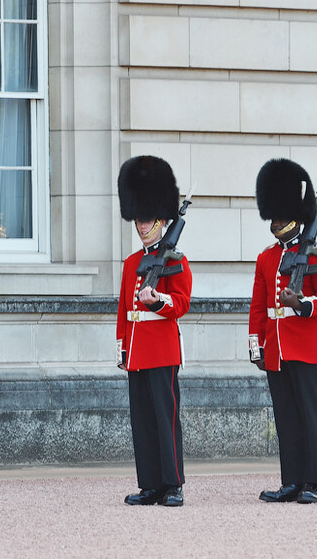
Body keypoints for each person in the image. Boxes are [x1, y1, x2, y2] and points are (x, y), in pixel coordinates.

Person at [248, 158, 317, 504]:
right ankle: (291, 481)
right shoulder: (266, 258)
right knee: (285, 418)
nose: (275, 220)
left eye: (281, 213)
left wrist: (302, 303)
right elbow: (258, 307)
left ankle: (312, 481)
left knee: (310, 415)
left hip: (307, 345)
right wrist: (256, 346)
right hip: (277, 348)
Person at [116, 155, 192, 507]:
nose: (142, 224)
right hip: (137, 353)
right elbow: (123, 312)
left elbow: (181, 304)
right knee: (142, 422)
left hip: (162, 352)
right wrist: (122, 350)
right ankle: (149, 484)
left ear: (162, 221)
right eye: (139, 219)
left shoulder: (175, 260)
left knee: (165, 419)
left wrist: (157, 299)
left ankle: (172, 483)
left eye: (147, 219)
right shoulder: (132, 263)